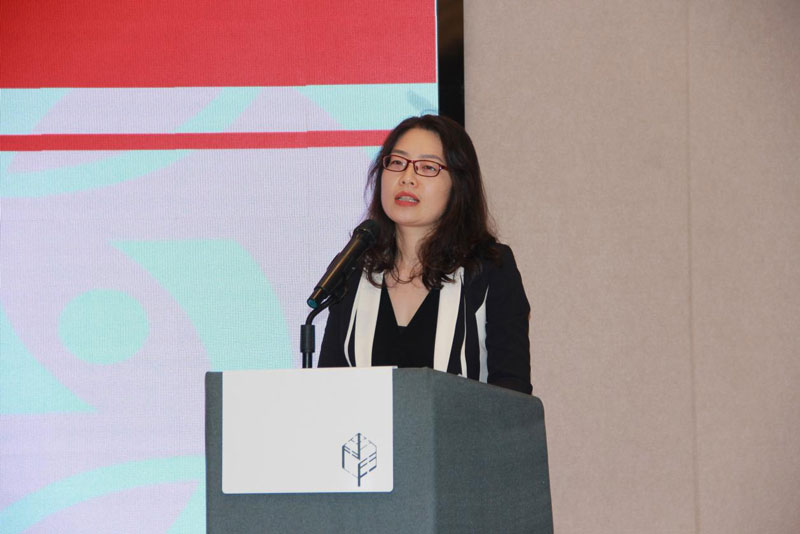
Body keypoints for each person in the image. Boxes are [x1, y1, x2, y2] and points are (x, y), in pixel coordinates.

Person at [317, 114, 532, 394]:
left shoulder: (489, 268)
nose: (407, 178)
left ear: (459, 183)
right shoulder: (355, 269)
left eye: (427, 167)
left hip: (461, 425)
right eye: (397, 163)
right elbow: (328, 391)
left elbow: (513, 392)